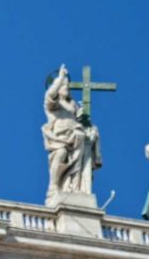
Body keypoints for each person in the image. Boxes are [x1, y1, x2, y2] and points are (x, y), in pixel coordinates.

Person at [41, 64, 101, 204]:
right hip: (59, 138)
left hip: (76, 138)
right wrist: (60, 78)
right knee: (61, 153)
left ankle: (73, 186)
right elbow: (49, 95)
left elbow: (81, 119)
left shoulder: (73, 105)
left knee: (77, 164)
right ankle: (54, 185)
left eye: (68, 85)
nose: (67, 88)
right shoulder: (53, 105)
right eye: (64, 86)